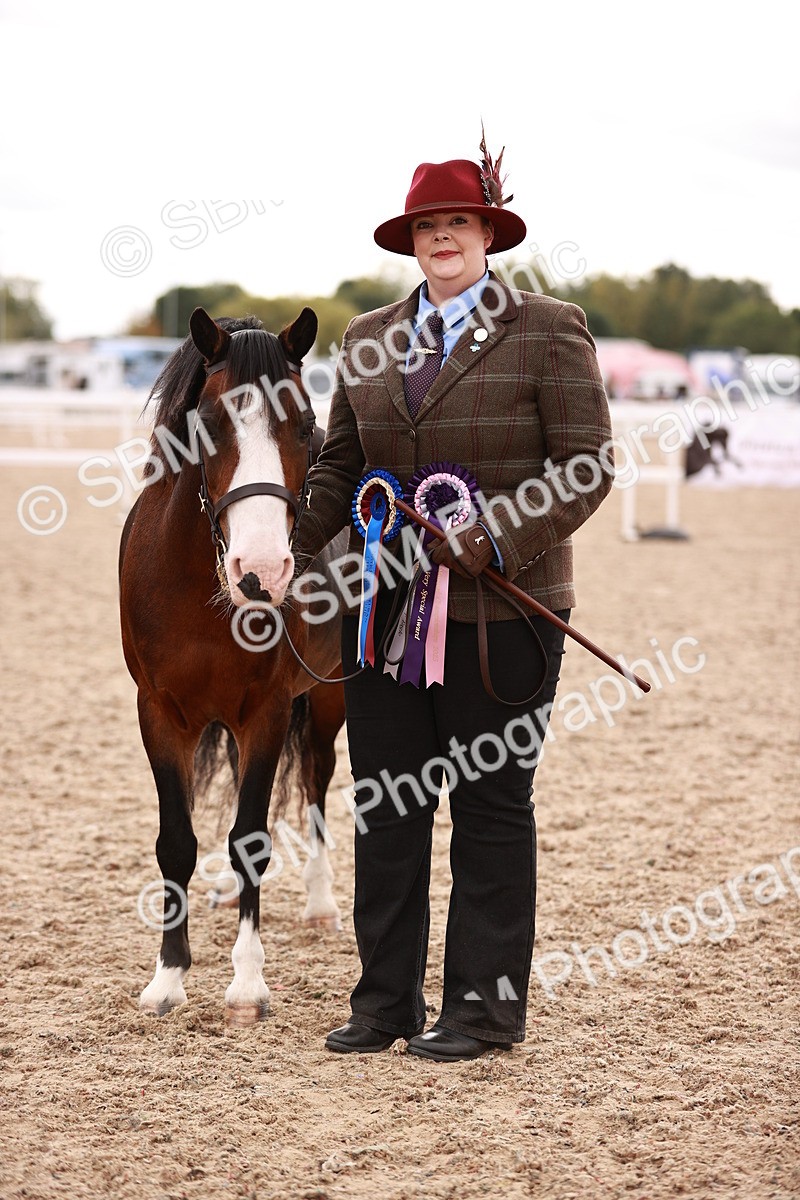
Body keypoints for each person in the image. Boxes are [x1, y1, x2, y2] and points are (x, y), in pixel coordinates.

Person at [291, 134, 613, 1062]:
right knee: (388, 808)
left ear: (487, 234)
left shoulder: (548, 328)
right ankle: (385, 1002)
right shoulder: (366, 338)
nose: (443, 238)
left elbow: (587, 465)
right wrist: (293, 539)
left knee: (489, 808)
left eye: (458, 223)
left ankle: (481, 1011)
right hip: (383, 613)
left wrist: (494, 535)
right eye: (427, 225)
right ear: (411, 240)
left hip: (502, 616)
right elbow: (344, 464)